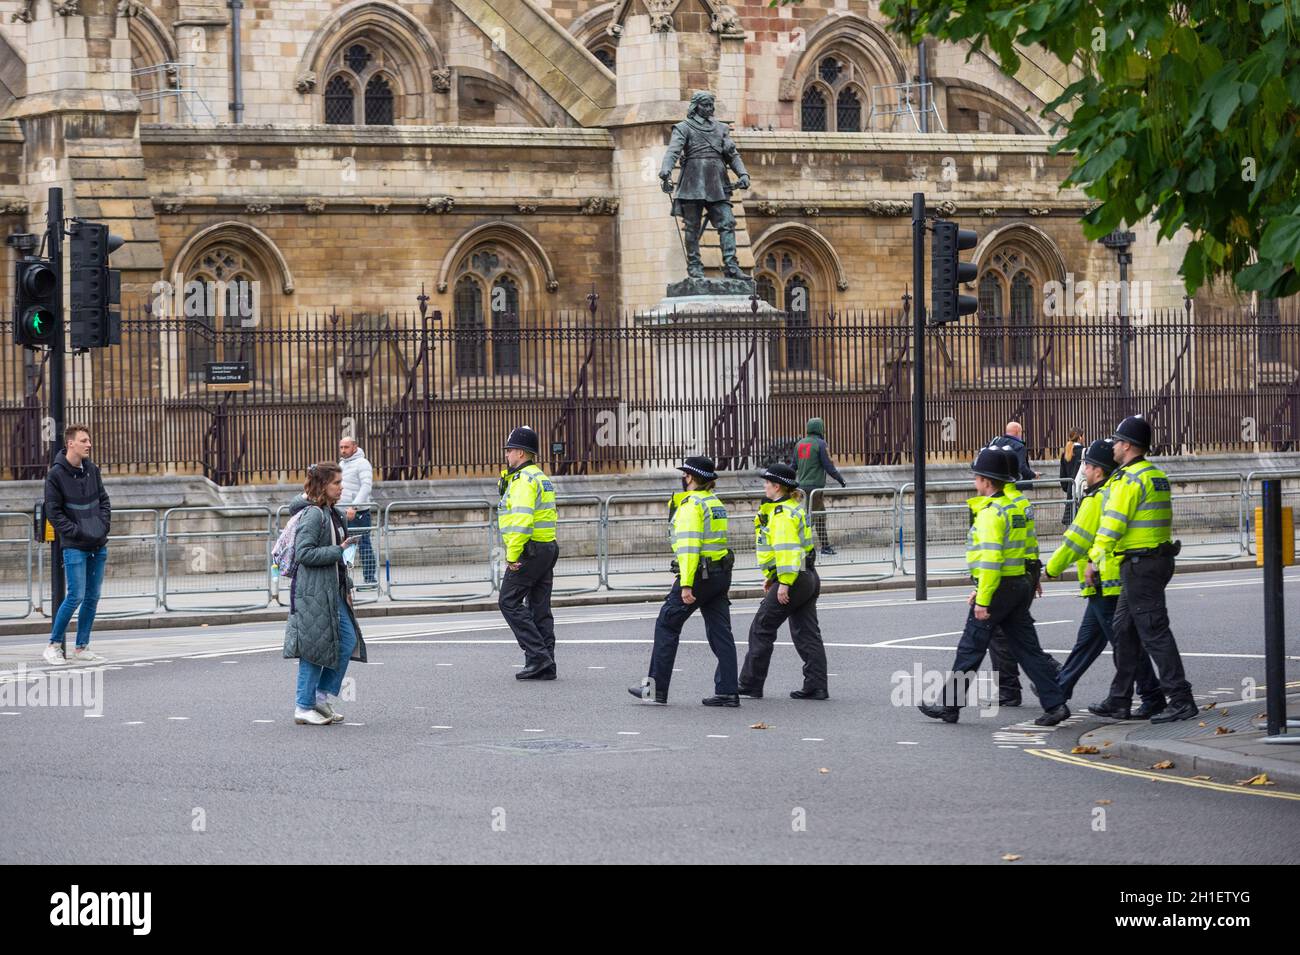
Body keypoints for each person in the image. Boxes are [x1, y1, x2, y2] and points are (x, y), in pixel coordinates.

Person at [918, 447, 1069, 726]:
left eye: (977, 476)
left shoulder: (990, 512)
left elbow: (990, 559)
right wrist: (1030, 580)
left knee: (969, 648)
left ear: (986, 481)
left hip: (998, 589)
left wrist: (983, 598)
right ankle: (1055, 703)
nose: (974, 481)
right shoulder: (1014, 508)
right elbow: (1026, 548)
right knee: (1027, 649)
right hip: (1017, 584)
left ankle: (949, 706)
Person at [1086, 415, 1196, 724]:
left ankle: (1181, 699)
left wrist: (1094, 558)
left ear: (1129, 446)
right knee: (1124, 630)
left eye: (1118, 442)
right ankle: (1119, 699)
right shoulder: (1155, 474)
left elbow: (1111, 525)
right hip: (1154, 561)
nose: (1114, 447)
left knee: (1154, 633)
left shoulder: (1129, 480)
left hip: (1141, 565)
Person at [1046, 439, 1166, 715]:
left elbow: (1074, 542)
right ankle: (1058, 689)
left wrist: (1050, 569)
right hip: (1106, 582)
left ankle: (1150, 695)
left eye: (1086, 466)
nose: (1083, 471)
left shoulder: (1096, 500)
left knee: (1126, 646)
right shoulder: (1114, 492)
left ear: (1098, 471)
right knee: (1086, 643)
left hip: (1104, 583)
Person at [629, 456, 738, 706]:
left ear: (690, 477)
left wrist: (686, 584)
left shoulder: (691, 505)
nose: (683, 478)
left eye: (685, 474)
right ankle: (728, 690)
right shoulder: (715, 502)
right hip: (720, 574)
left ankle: (656, 689)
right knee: (721, 632)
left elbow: (690, 547)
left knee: (667, 624)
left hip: (698, 574)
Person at [283, 462, 367, 726]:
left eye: (341, 483)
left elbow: (341, 558)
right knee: (314, 648)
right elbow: (304, 553)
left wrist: (347, 584)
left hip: (334, 590)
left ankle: (320, 698)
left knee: (346, 639)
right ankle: (303, 706)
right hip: (314, 591)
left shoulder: (334, 514)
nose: (342, 488)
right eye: (336, 483)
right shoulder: (314, 515)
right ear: (323, 486)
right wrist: (337, 550)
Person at [737, 463, 830, 700]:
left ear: (777, 486)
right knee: (807, 632)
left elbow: (787, 550)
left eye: (767, 482)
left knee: (762, 627)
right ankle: (816, 685)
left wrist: (784, 583)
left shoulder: (781, 514)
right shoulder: (793, 507)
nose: (765, 486)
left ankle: (750, 684)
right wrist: (773, 577)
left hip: (794, 577)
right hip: (807, 575)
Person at [659, 90, 752, 279]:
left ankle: (731, 266)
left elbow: (732, 155)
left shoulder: (721, 129)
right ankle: (694, 266)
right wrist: (666, 170)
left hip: (717, 182)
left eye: (711, 105)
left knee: (727, 222)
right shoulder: (683, 127)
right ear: (695, 107)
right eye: (705, 105)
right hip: (693, 180)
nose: (709, 108)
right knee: (692, 226)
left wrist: (743, 173)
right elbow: (673, 152)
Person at [43, 425, 111, 666]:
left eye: (89, 440)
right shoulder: (56, 475)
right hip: (74, 545)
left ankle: (81, 647)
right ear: (70, 443)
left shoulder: (92, 469)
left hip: (98, 543)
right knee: (75, 596)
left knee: (93, 597)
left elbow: (104, 500)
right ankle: (53, 645)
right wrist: (75, 532)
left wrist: (103, 526)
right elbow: (53, 511)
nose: (88, 444)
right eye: (84, 440)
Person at [497, 426, 560, 680]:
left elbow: (522, 520)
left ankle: (538, 656)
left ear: (521, 453)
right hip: (547, 548)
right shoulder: (539, 476)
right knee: (539, 606)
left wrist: (513, 555)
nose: (507, 454)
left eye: (510, 450)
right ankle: (547, 664)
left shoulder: (524, 481)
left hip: (529, 550)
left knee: (508, 601)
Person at [794, 417, 847, 556]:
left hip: (801, 488)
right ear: (820, 429)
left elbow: (793, 466)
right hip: (815, 488)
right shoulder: (820, 444)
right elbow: (828, 465)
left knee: (820, 516)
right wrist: (841, 480)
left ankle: (825, 546)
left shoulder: (799, 444)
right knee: (810, 519)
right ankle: (799, 546)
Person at [338, 436, 376, 585]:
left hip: (358, 513)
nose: (343, 450)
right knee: (345, 547)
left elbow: (366, 486)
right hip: (342, 513)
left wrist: (354, 507)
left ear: (355, 447)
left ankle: (369, 580)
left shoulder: (362, 463)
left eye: (346, 447)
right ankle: (346, 581)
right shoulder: (341, 464)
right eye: (341, 447)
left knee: (364, 546)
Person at [995, 421, 1039, 491]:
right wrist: (1033, 474)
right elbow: (1021, 467)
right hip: (1014, 484)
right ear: (1017, 432)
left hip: (998, 482)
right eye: (1021, 432)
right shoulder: (1018, 446)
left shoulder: (997, 442)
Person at [1059, 428, 1084, 525]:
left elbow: (1062, 476)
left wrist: (1068, 488)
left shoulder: (1065, 453)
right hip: (1081, 490)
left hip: (1070, 491)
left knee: (1071, 522)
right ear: (1080, 437)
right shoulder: (1083, 452)